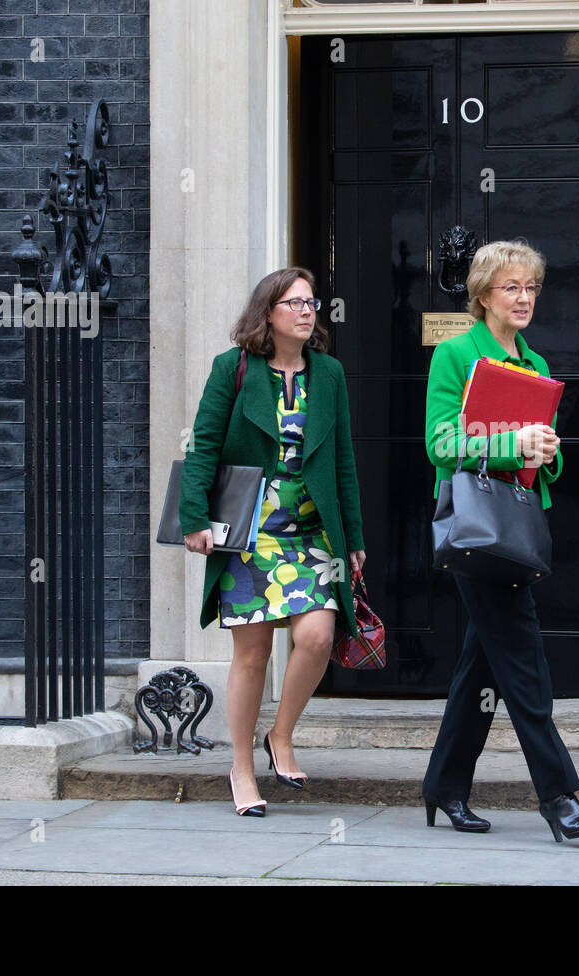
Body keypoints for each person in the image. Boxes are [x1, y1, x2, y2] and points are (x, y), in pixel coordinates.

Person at [421, 240, 579, 842]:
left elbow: (540, 461)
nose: (524, 298)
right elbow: (441, 445)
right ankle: (559, 796)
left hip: (516, 525)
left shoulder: (537, 365)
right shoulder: (454, 356)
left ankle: (445, 784)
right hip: (476, 529)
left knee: (483, 667)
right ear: (482, 295)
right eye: (511, 288)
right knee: (524, 664)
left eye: (531, 288)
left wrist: (544, 453)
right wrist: (508, 444)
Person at [178, 267, 365, 817]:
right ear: (269, 312)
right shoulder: (232, 369)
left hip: (311, 533)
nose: (308, 311)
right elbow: (203, 447)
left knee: (317, 636)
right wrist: (195, 519)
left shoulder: (328, 374)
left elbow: (344, 460)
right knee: (253, 653)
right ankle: (241, 765)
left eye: (312, 303)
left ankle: (279, 736)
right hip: (249, 535)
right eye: (296, 303)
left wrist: (352, 535)